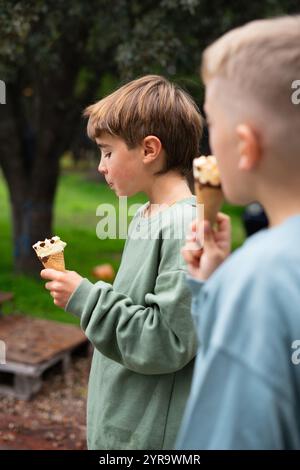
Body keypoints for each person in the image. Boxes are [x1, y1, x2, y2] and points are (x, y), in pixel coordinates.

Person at [41, 75, 204, 449]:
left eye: (107, 152)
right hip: (124, 426)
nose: (100, 166)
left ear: (149, 150)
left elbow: (167, 341)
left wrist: (85, 298)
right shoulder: (146, 215)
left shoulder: (185, 226)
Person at [177, 16, 300, 449]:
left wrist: (234, 286)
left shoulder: (261, 279)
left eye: (212, 124)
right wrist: (214, 287)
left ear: (246, 146)